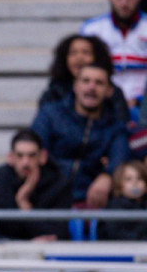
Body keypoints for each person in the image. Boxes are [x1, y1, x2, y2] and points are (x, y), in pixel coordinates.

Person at [31, 63, 131, 208]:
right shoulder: (50, 114)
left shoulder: (115, 126)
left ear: (109, 91)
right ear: (75, 86)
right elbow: (35, 150)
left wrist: (107, 176)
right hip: (48, 195)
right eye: (85, 81)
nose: (91, 87)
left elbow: (120, 157)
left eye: (99, 83)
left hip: (93, 201)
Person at [0, 129, 72, 241]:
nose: (25, 162)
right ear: (10, 157)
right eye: (20, 155)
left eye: (32, 156)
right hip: (4, 255)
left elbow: (59, 234)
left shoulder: (59, 185)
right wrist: (24, 245)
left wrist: (24, 204)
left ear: (43, 157)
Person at [80, 0, 147, 107]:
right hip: (103, 105)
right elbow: (84, 72)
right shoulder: (92, 29)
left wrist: (140, 99)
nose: (124, 2)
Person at [41, 34, 129, 125]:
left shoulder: (113, 92)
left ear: (98, 57)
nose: (79, 58)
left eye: (86, 52)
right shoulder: (54, 91)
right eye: (73, 53)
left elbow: (122, 124)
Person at [100, 160, 147, 240]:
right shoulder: (114, 206)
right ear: (119, 185)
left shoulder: (143, 205)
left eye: (139, 179)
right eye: (128, 179)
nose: (134, 183)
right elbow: (114, 234)